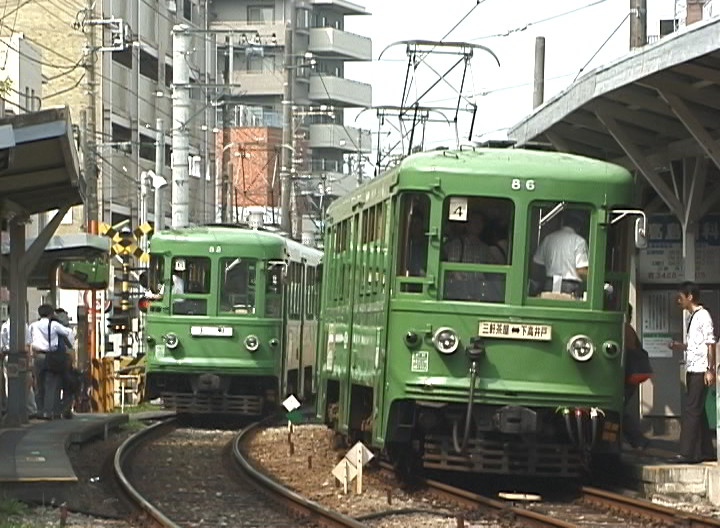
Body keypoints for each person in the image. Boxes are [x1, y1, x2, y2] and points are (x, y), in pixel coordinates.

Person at [668, 282, 716, 463]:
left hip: (700, 369)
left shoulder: (703, 316)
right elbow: (697, 344)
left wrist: (710, 369)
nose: (678, 300)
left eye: (680, 297)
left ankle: (687, 453)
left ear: (690, 297)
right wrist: (680, 346)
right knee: (698, 410)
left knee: (691, 410)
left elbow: (710, 343)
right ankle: (706, 451)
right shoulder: (692, 317)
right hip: (692, 367)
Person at [29, 304, 75, 419]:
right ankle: (48, 412)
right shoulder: (54, 325)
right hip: (51, 357)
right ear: (51, 314)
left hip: (37, 356)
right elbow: (69, 333)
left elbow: (29, 339)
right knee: (50, 384)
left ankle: (39, 410)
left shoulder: (33, 325)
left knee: (38, 384)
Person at [533, 210, 589, 298]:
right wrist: (595, 280)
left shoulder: (548, 238)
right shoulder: (579, 241)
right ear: (579, 225)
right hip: (570, 288)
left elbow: (536, 265)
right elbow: (581, 270)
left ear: (563, 222)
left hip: (549, 285)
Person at [623, 304, 651, 450]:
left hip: (625, 377)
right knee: (622, 408)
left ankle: (638, 440)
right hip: (632, 376)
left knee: (619, 410)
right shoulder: (630, 329)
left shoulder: (623, 329)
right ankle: (637, 440)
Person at [0, 311, 35, 418]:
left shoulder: (5, 326)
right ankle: (29, 409)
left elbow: (2, 345)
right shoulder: (23, 325)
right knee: (27, 383)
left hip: (8, 356)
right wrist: (29, 361)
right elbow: (28, 345)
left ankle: (11, 407)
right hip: (22, 357)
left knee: (9, 383)